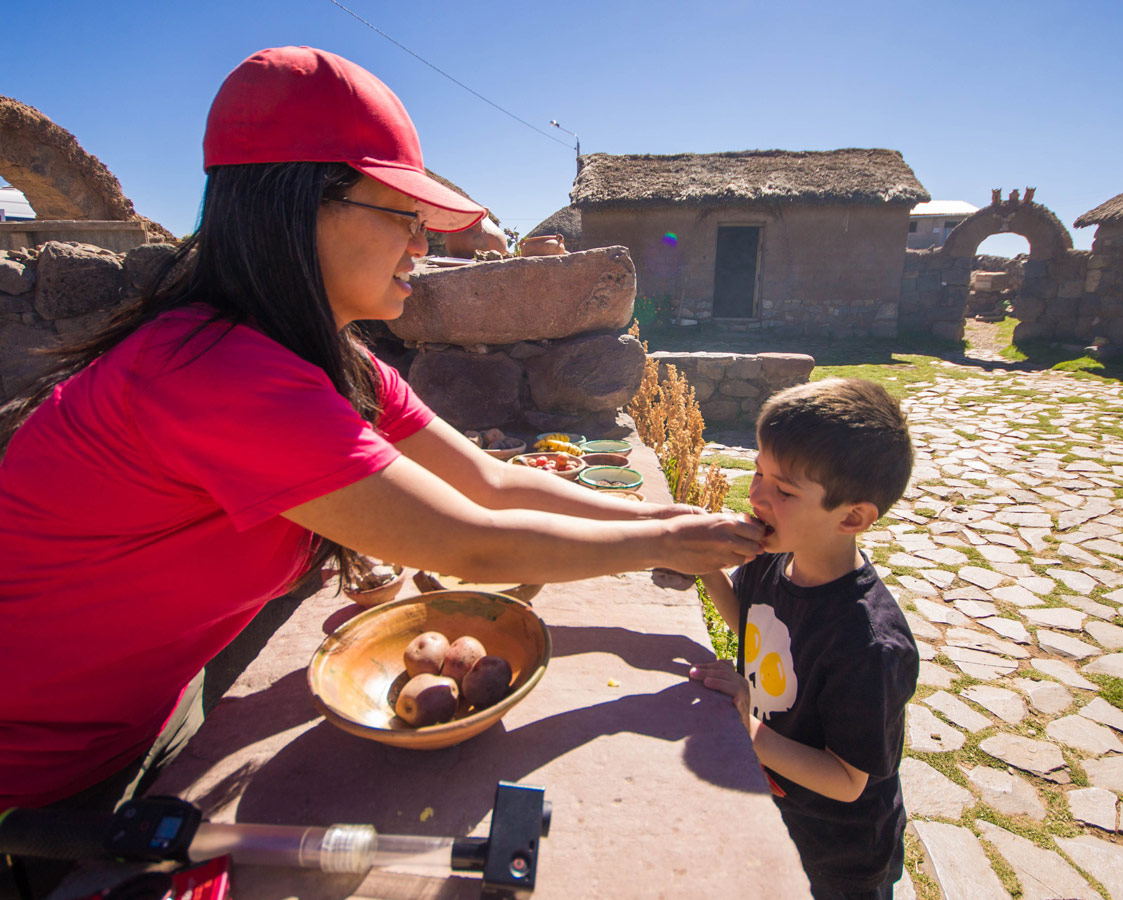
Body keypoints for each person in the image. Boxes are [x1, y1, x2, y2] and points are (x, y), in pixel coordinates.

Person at [0, 46, 766, 813]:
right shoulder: (217, 373)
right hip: (39, 773)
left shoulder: (327, 360)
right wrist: (666, 547)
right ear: (296, 208)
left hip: (145, 721)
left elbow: (490, 482)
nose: (424, 246)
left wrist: (659, 517)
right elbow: (468, 543)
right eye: (403, 217)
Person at [688, 378, 919, 900]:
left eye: (784, 490)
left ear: (852, 517)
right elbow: (749, 623)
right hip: (782, 810)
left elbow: (847, 779)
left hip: (840, 854)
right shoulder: (775, 563)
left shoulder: (869, 645)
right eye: (758, 473)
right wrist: (703, 566)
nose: (755, 495)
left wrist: (744, 727)